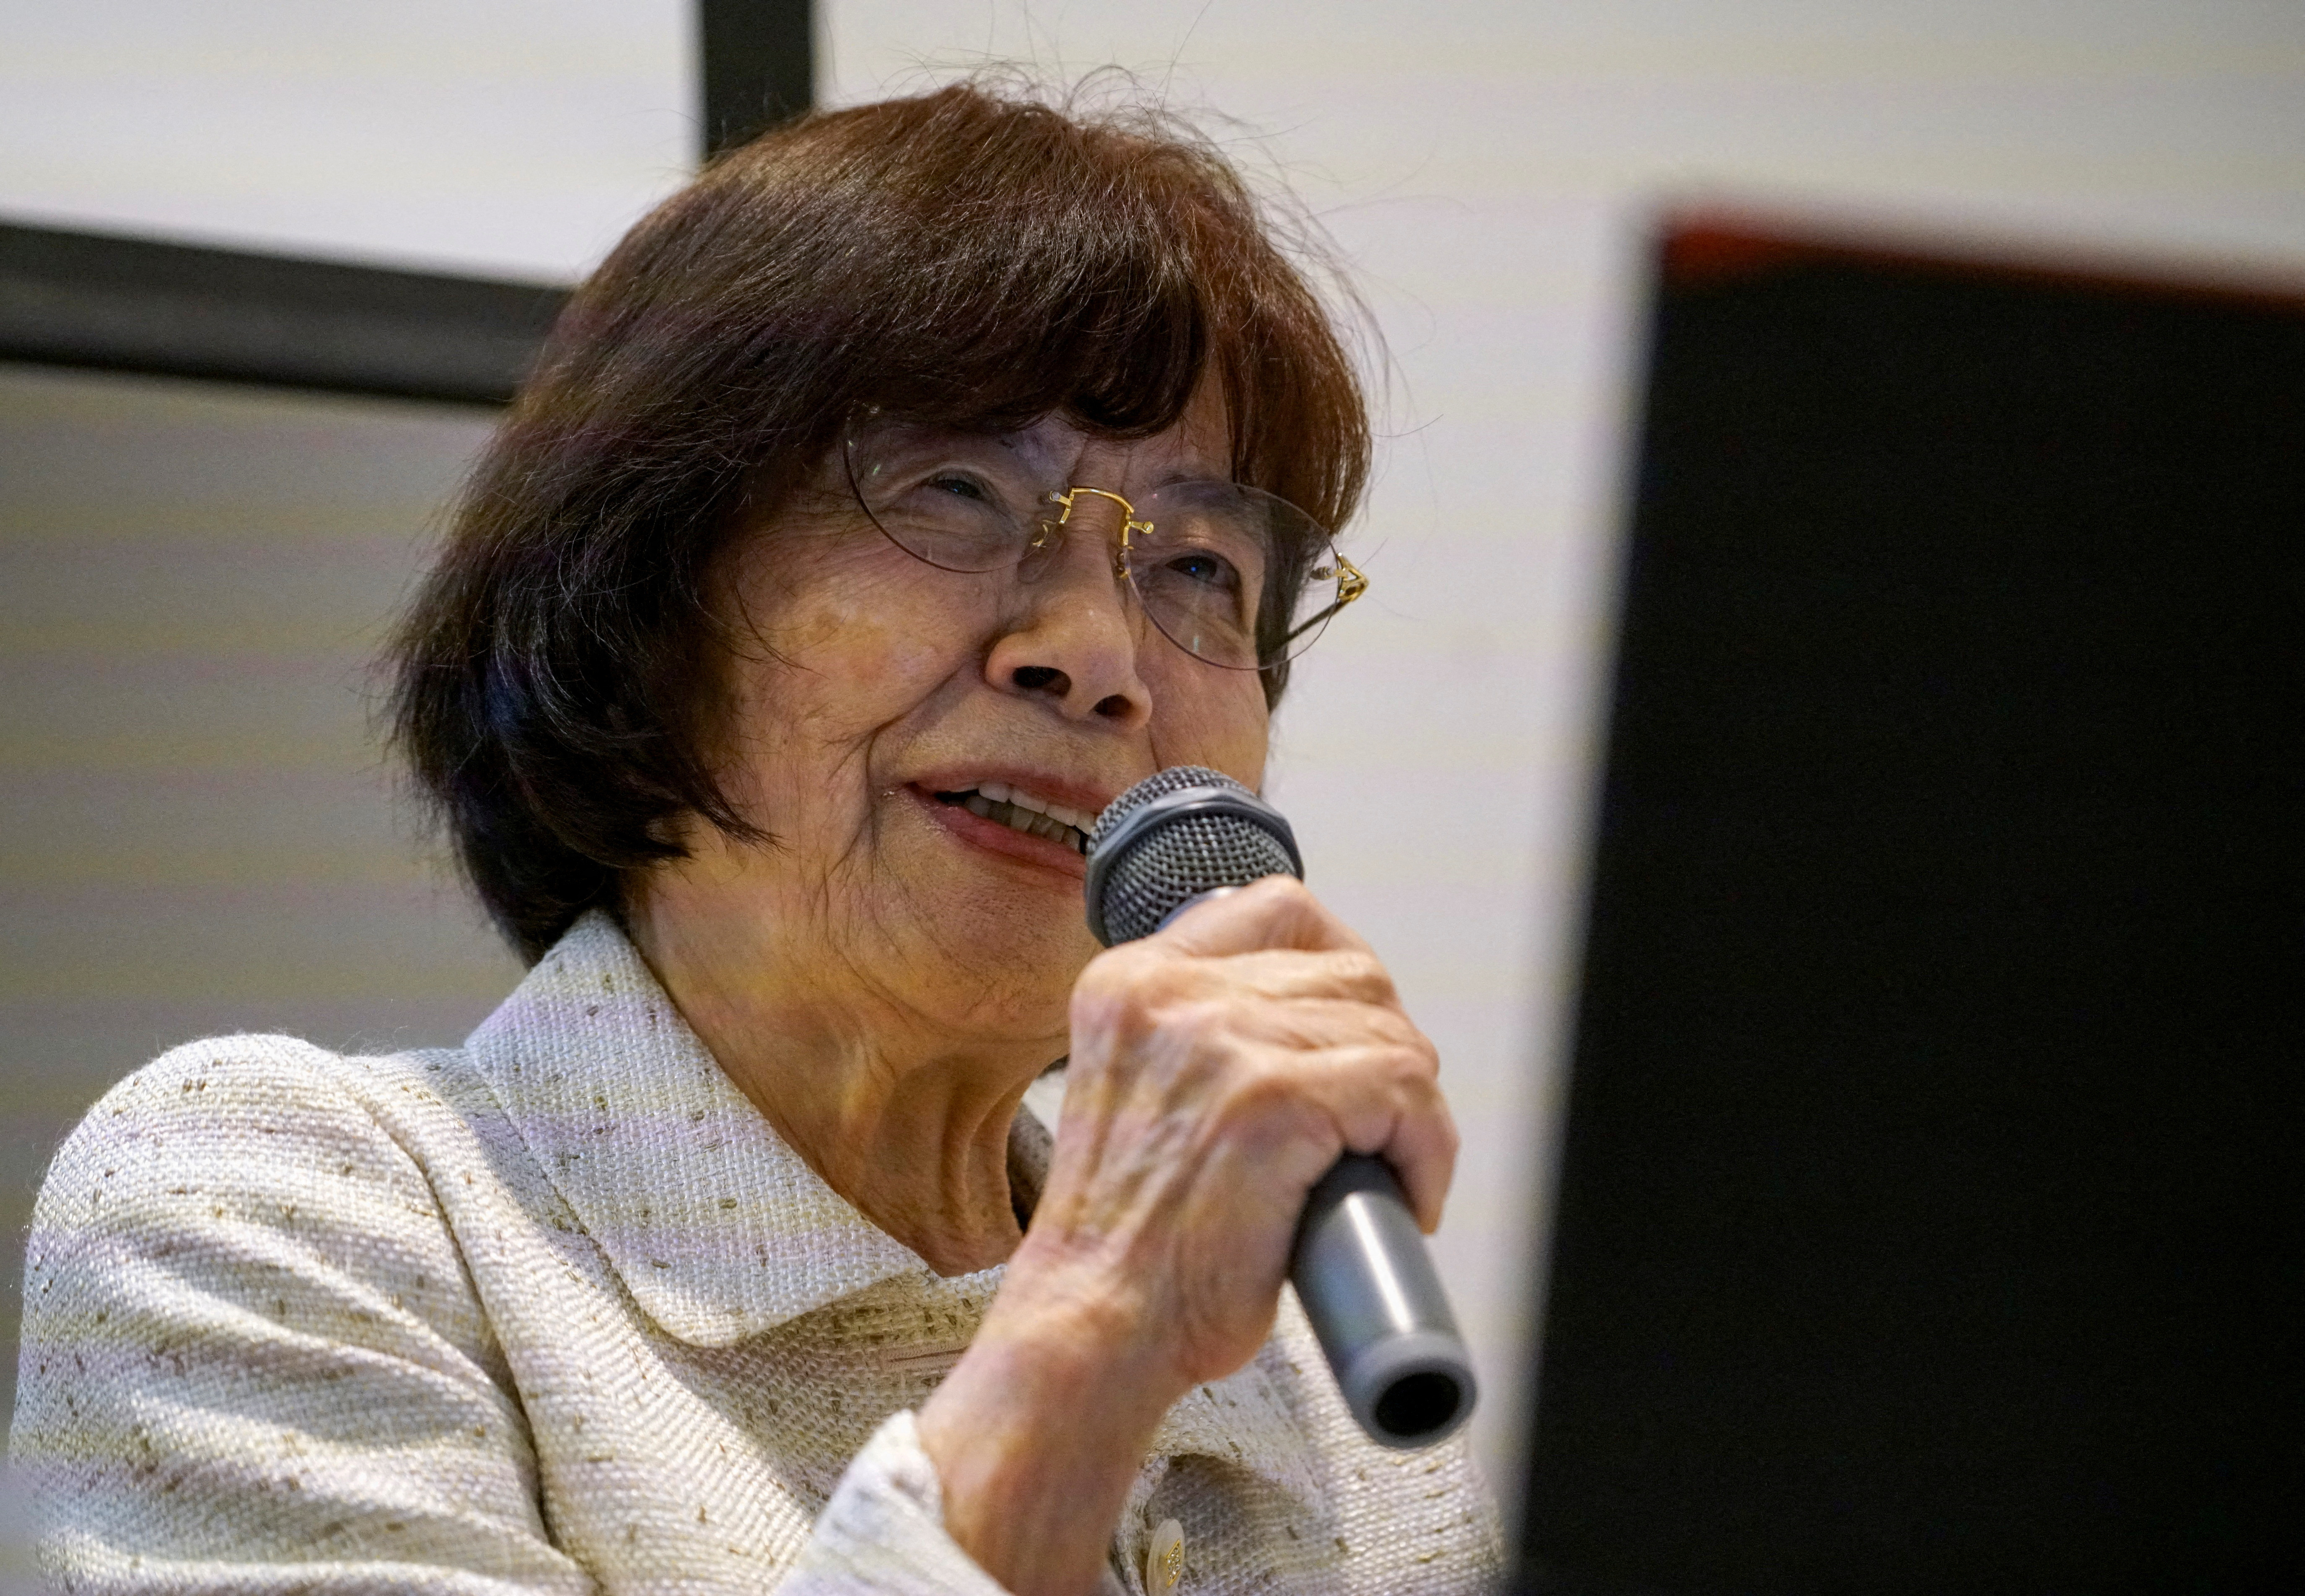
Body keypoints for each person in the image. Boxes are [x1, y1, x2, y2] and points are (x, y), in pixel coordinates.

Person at [10, 81, 1501, 1595]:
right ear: (647, 602)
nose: (1097, 652)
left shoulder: (1339, 1410)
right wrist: (1087, 1339)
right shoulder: (287, 1216)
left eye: (1198, 566)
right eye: (959, 491)